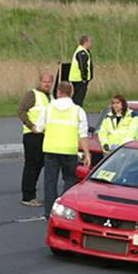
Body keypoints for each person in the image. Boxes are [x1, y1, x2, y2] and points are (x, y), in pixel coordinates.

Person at [35, 81, 90, 219]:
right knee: (70, 180)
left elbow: (38, 128)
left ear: (58, 92)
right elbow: (83, 135)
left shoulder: (48, 109)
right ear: (71, 93)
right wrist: (87, 153)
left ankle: (49, 213)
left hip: (51, 149)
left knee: (50, 182)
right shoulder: (78, 111)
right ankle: (65, 210)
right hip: (69, 151)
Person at [18, 73, 53, 207]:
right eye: (44, 82)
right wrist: (30, 125)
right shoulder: (32, 95)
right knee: (32, 165)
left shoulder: (50, 97)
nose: (47, 84)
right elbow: (21, 111)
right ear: (40, 82)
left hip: (44, 135)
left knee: (39, 164)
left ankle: (32, 194)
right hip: (32, 135)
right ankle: (28, 196)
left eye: (49, 82)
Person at [68, 35, 93, 107]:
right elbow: (83, 66)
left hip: (78, 79)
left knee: (78, 97)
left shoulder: (82, 51)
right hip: (79, 79)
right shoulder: (82, 52)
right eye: (90, 42)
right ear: (86, 42)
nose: (91, 44)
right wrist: (84, 78)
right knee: (78, 98)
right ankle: (76, 112)